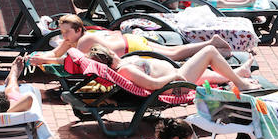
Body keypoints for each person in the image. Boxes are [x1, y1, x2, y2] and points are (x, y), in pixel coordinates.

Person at [27, 14, 235, 67]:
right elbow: (55, 53)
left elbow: (70, 61)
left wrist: (44, 61)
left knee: (174, 54)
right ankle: (211, 43)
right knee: (175, 51)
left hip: (131, 46)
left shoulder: (83, 42)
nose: (63, 37)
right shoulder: (76, 39)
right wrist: (34, 56)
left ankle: (210, 45)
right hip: (130, 39)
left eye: (66, 33)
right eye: (62, 32)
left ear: (78, 30)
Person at [87, 44, 260, 92]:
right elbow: (153, 85)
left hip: (177, 76)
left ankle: (238, 73)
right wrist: (173, 78)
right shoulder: (125, 70)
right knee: (209, 51)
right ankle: (241, 83)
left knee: (205, 72)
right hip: (175, 85)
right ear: (109, 53)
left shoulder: (123, 63)